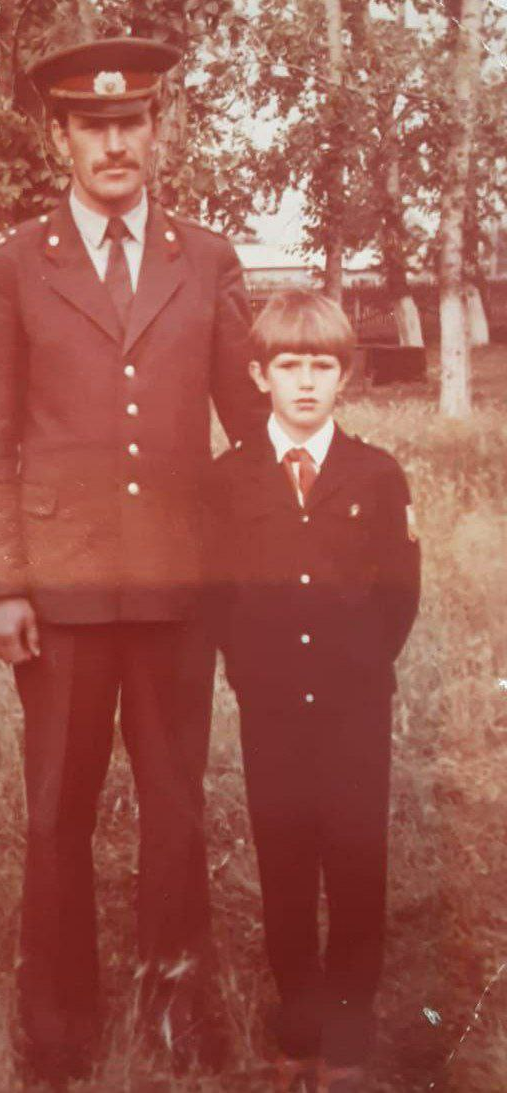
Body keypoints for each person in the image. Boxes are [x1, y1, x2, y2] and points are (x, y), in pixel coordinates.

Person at [0, 35, 265, 1084]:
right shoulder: (13, 262)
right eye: (93, 127)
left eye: (131, 122)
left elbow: (251, 425)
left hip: (181, 585)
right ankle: (58, 1026)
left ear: (157, 130)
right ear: (60, 138)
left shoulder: (207, 257)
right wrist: (0, 582)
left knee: (176, 806)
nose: (114, 144)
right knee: (58, 809)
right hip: (61, 587)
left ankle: (176, 1004)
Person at [211, 290, 421, 1092]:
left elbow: (399, 594)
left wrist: (357, 669)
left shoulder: (377, 472)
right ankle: (298, 1025)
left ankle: (349, 1030)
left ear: (346, 374)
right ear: (259, 375)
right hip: (270, 707)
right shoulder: (229, 479)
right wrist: (252, 671)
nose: (306, 381)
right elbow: (217, 595)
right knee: (285, 860)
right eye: (290, 365)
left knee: (358, 860)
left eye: (323, 365)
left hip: (354, 707)